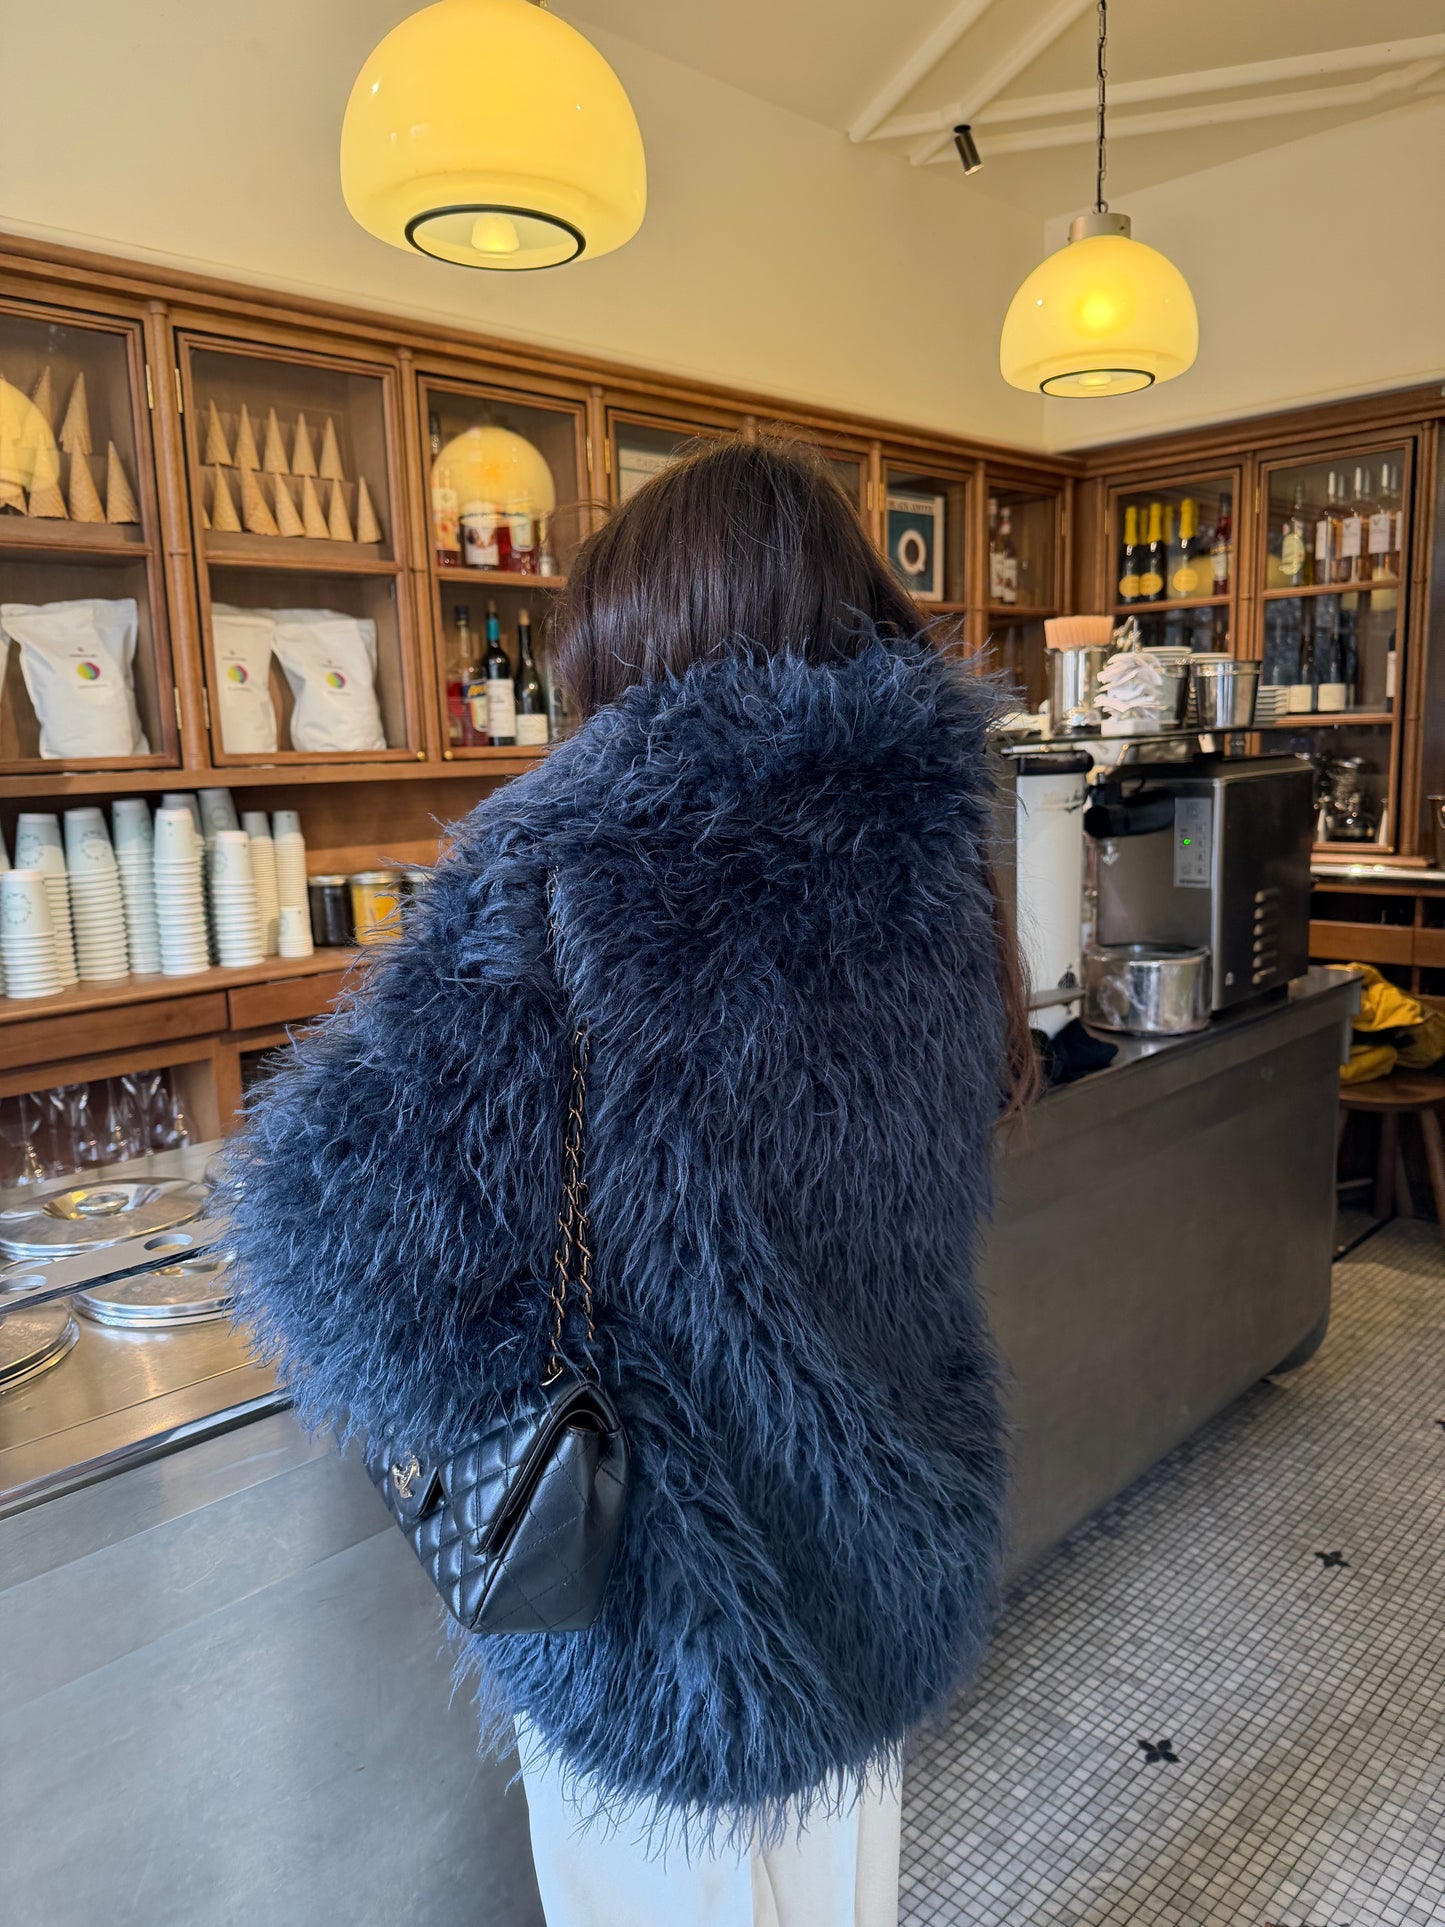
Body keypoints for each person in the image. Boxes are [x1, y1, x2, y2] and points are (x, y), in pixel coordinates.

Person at [227, 439, 1036, 1927]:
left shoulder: (562, 871)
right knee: (832, 1885)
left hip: (669, 1585)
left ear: (635, 646)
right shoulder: (934, 850)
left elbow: (322, 1240)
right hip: (886, 1518)